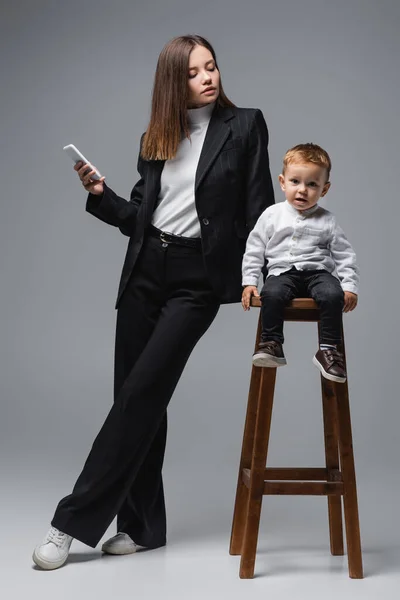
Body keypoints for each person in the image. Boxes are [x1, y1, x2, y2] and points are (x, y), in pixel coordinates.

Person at [33, 34, 275, 570]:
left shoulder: (245, 125)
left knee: (139, 396)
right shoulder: (155, 138)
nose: (208, 77)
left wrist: (264, 277)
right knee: (136, 398)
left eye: (211, 66)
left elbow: (262, 209)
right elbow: (138, 220)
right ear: (173, 82)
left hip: (198, 281)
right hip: (145, 273)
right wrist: (101, 195)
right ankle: (143, 528)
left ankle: (67, 523)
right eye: (194, 72)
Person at [242, 143, 359, 383]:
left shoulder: (327, 220)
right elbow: (254, 250)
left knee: (332, 294)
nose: (302, 190)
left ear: (324, 189)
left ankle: (328, 350)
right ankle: (272, 342)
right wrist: (249, 282)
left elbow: (344, 255)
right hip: (283, 273)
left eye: (312, 184)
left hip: (318, 274)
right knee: (271, 294)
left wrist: (349, 286)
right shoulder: (272, 215)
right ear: (283, 182)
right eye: (295, 182)